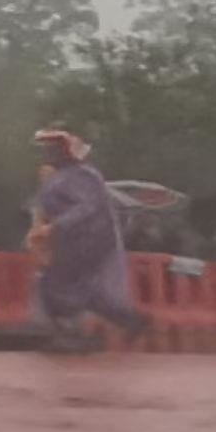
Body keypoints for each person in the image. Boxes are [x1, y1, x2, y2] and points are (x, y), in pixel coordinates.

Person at [30, 126, 151, 351]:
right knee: (79, 290)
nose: (47, 153)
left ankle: (72, 336)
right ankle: (128, 320)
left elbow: (88, 207)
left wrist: (55, 226)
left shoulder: (82, 175)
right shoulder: (59, 177)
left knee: (54, 284)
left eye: (54, 148)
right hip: (71, 241)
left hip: (87, 240)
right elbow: (44, 206)